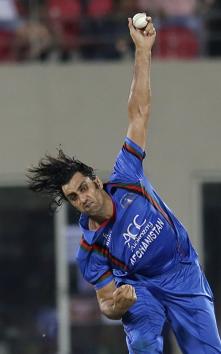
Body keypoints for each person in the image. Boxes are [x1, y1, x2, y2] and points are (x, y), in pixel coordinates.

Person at [27, 16, 221, 354]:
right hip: (139, 289)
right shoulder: (90, 251)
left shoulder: (127, 176)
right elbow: (105, 304)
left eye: (83, 188)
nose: (82, 198)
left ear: (96, 182)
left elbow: (139, 112)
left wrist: (143, 51)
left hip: (182, 272)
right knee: (144, 342)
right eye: (73, 197)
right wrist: (117, 304)